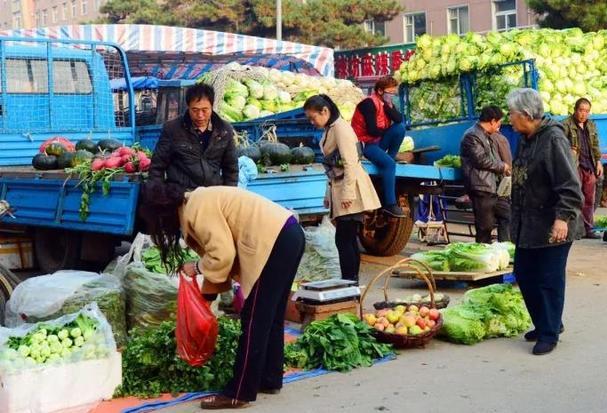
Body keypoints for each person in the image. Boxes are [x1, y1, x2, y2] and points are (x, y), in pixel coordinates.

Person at [139, 181, 304, 410]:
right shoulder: (196, 201)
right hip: (289, 234)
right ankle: (269, 378)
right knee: (271, 316)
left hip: (274, 242)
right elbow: (220, 255)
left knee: (254, 319)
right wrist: (206, 299)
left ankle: (239, 393)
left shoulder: (197, 209)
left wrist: (196, 267)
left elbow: (222, 255)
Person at [507, 88, 583, 356]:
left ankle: (549, 333)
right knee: (526, 274)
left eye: (512, 113)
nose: (509, 118)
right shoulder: (525, 137)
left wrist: (562, 218)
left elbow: (571, 186)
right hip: (529, 224)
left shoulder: (553, 140)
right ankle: (545, 323)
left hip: (554, 224)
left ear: (526, 115)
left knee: (549, 279)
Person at [304, 95, 381, 282]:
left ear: (325, 111)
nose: (312, 122)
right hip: (341, 187)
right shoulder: (331, 128)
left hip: (351, 190)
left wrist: (347, 194)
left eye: (313, 117)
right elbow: (332, 167)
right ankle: (351, 281)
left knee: (344, 239)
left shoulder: (341, 128)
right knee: (348, 239)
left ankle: (349, 281)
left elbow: (350, 162)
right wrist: (327, 193)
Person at [150, 83, 238, 190]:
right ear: (188, 107)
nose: (200, 115)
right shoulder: (172, 129)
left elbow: (231, 169)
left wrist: (228, 195)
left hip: (213, 195)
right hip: (182, 195)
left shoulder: (224, 130)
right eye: (195, 110)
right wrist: (160, 195)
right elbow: (157, 167)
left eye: (205, 110)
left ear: (212, 107)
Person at [351, 76, 406, 217]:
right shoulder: (369, 103)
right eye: (390, 92)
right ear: (380, 91)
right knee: (389, 165)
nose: (392, 95)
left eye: (394, 92)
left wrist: (388, 105)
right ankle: (390, 204)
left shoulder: (385, 103)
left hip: (378, 141)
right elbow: (372, 130)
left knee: (400, 128)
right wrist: (385, 132)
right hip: (366, 144)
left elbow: (399, 119)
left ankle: (389, 157)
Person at [460, 105, 512, 243]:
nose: (500, 125)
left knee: (508, 215)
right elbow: (481, 160)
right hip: (481, 187)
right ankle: (484, 258)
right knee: (485, 227)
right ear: (493, 121)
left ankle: (504, 250)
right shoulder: (472, 135)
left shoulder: (487, 135)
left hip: (494, 188)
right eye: (499, 122)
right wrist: (502, 166)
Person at [562, 98, 603, 238]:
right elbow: (559, 144)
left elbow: (595, 144)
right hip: (575, 166)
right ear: (575, 110)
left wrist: (598, 161)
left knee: (589, 199)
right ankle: (575, 230)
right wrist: (569, 149)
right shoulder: (566, 125)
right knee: (576, 198)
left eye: (586, 111)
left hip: (589, 165)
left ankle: (588, 228)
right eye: (581, 110)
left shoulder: (591, 125)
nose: (583, 114)